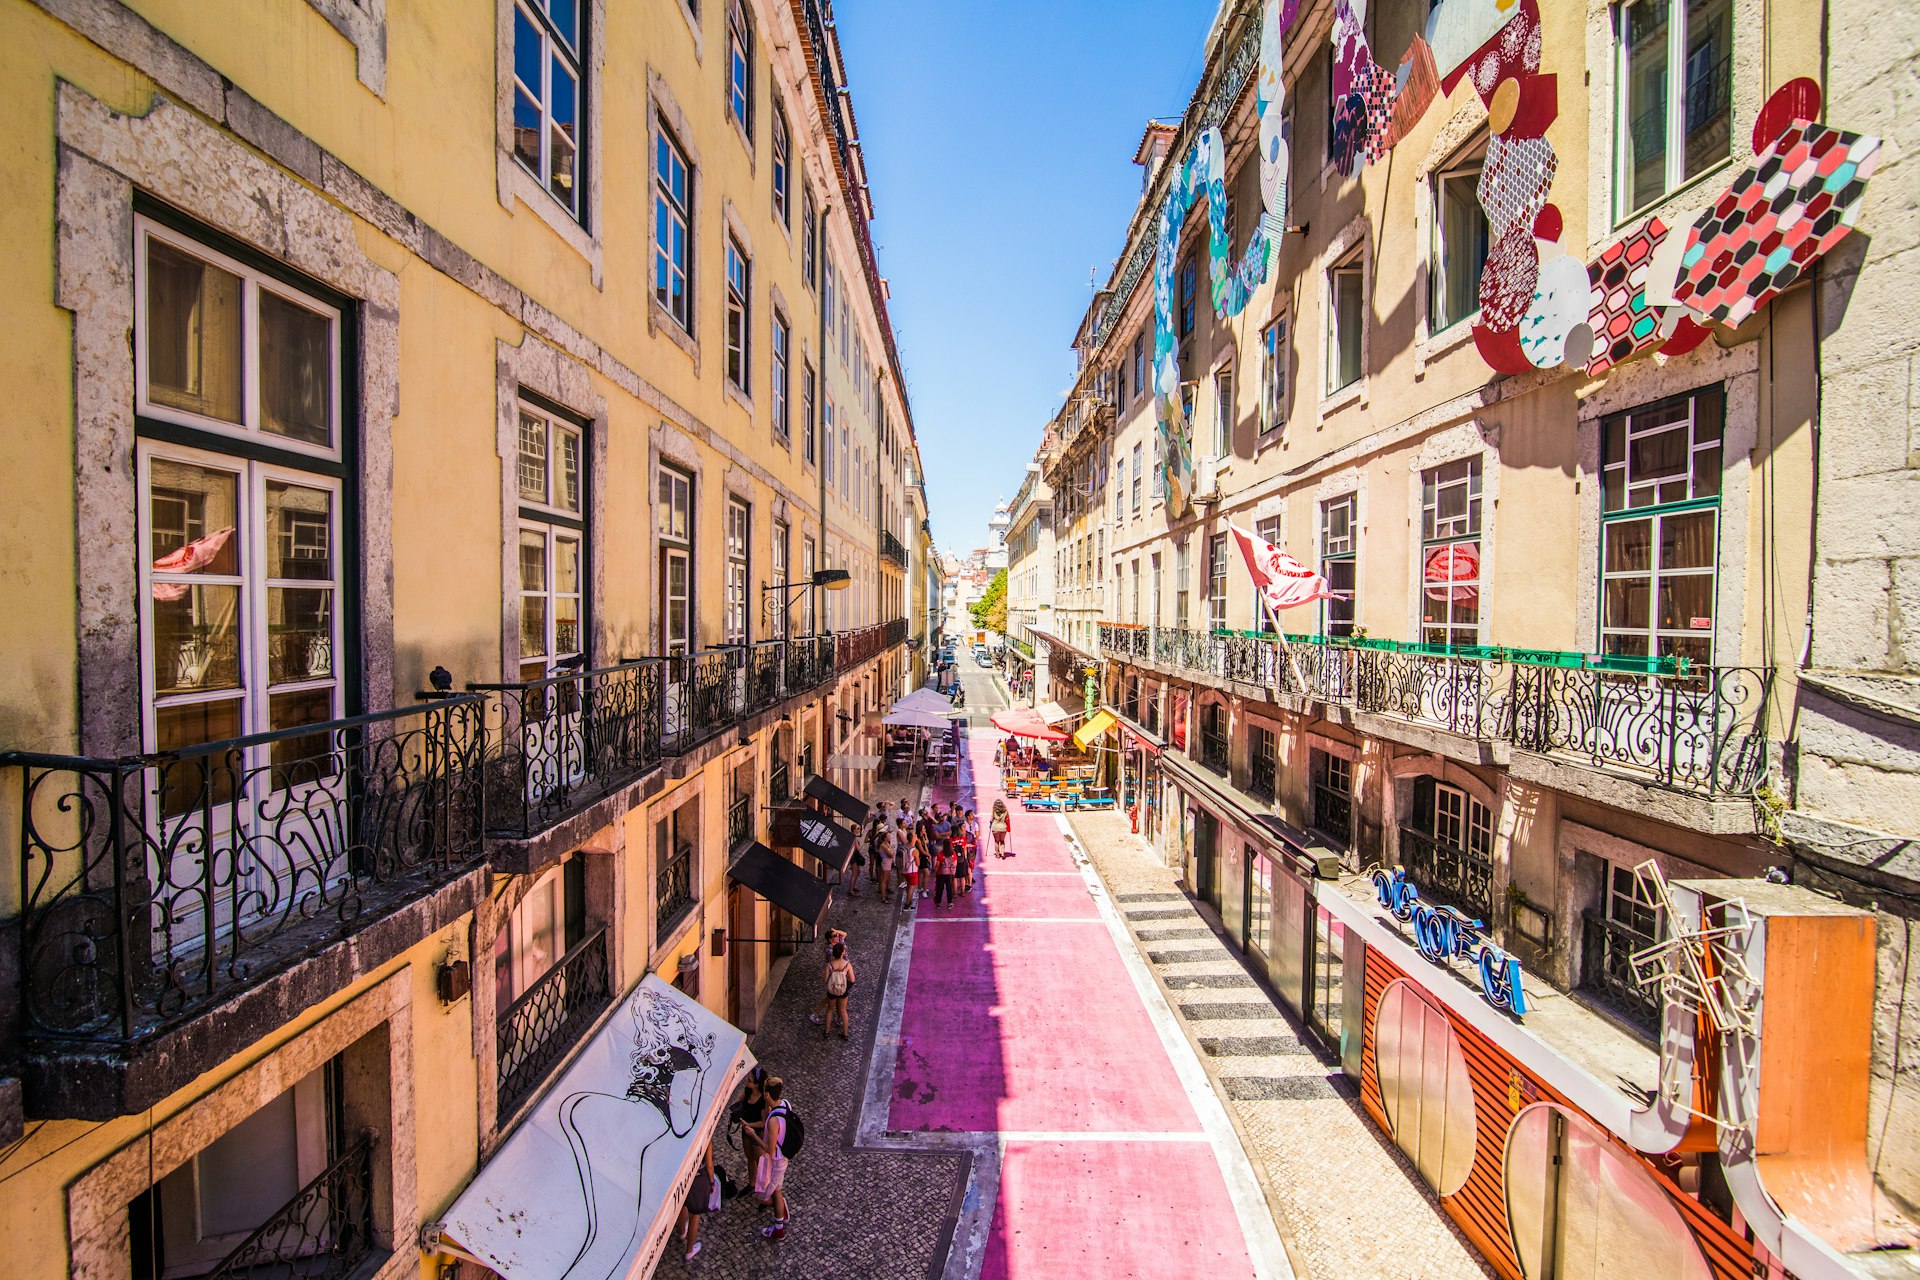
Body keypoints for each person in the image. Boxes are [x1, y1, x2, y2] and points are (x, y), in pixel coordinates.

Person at [752, 1078, 792, 1239]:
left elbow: (769, 1147)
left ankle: (779, 1227)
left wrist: (753, 1135)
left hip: (777, 1160)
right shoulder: (786, 1104)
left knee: (765, 1196)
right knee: (777, 1189)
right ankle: (781, 1217)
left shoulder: (774, 1121)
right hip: (783, 1156)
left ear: (767, 1094)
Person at [677, 1140, 718, 1261]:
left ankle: (681, 1233)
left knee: (682, 1205)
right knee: (694, 1215)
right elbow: (710, 1166)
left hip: (682, 1176)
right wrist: (711, 1182)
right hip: (698, 1178)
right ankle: (689, 1251)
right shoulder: (704, 1137)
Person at [807, 928, 849, 1026]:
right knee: (835, 997)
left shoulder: (839, 942)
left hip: (843, 974)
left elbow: (844, 934)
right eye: (835, 936)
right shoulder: (830, 950)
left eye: (837, 935)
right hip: (836, 976)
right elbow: (836, 962)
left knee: (837, 997)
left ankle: (838, 1018)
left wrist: (836, 931)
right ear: (830, 940)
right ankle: (837, 1018)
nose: (838, 936)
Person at [821, 941, 855, 1040]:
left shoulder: (829, 965)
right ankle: (845, 1033)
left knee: (830, 1010)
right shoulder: (847, 965)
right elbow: (853, 979)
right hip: (843, 990)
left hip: (832, 990)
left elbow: (825, 980)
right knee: (843, 1011)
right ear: (843, 952)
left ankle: (827, 1032)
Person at [932, 838, 958, 909]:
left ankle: (938, 903)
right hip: (950, 873)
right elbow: (955, 863)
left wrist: (935, 872)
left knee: (940, 888)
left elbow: (937, 865)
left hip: (941, 873)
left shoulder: (940, 854)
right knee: (949, 888)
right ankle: (949, 903)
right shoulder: (953, 853)